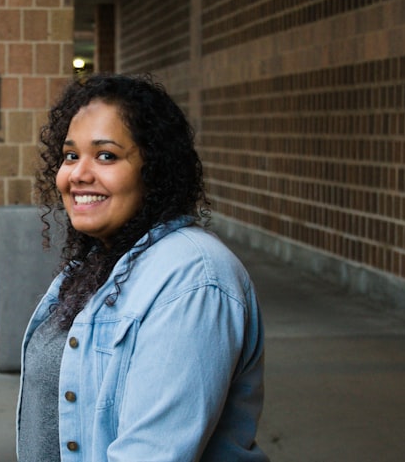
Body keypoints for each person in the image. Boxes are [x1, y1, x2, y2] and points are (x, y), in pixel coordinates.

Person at [17, 73, 267, 461]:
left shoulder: (193, 278)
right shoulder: (99, 263)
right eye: (71, 155)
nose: (79, 174)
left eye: (106, 155)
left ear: (154, 170)